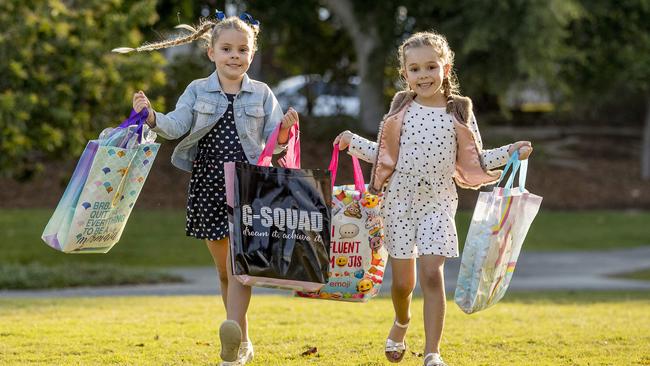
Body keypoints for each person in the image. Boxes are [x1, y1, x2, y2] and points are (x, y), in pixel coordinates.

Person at [334, 31, 532, 366]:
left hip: (438, 201)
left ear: (445, 67)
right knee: (402, 284)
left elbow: (477, 158)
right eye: (414, 69)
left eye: (430, 67)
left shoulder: (459, 112)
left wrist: (511, 152)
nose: (423, 75)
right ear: (405, 74)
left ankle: (432, 352)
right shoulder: (400, 110)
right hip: (398, 202)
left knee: (430, 273)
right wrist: (352, 142)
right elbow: (384, 154)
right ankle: (401, 321)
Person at [123, 11, 298, 365]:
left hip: (250, 190)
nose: (235, 55)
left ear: (252, 53)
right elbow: (175, 126)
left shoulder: (262, 94)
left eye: (242, 49)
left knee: (240, 269)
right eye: (227, 49)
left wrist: (282, 134)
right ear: (212, 52)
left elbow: (273, 145)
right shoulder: (197, 91)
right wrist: (151, 116)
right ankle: (242, 341)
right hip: (209, 187)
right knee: (225, 271)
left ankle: (232, 336)